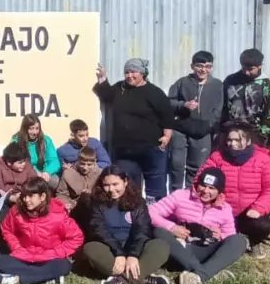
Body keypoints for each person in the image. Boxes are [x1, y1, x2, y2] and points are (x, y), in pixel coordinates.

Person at [81, 165, 172, 284]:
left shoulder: (138, 202)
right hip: (110, 250)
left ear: (125, 182)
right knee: (90, 248)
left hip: (135, 248)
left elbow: (142, 230)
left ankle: (120, 283)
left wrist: (133, 255)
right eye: (106, 185)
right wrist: (119, 253)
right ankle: (143, 278)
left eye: (115, 184)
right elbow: (98, 230)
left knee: (161, 246)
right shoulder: (96, 203)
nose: (111, 189)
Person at [149, 167, 245, 284]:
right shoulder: (180, 196)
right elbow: (150, 212)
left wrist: (221, 235)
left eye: (212, 188)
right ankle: (205, 274)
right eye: (203, 185)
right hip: (179, 249)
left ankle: (199, 275)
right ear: (197, 184)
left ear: (219, 191)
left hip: (205, 250)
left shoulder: (225, 209)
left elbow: (230, 237)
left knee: (239, 240)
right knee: (159, 232)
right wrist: (172, 227)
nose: (205, 191)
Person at [93, 59, 174, 201]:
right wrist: (102, 79)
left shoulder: (154, 92)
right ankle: (131, 210)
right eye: (127, 72)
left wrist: (167, 135)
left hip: (151, 147)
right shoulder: (119, 88)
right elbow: (106, 96)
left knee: (155, 186)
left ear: (142, 73)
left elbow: (167, 114)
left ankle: (155, 212)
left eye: (133, 72)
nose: (129, 75)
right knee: (128, 186)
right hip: (125, 149)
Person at [199, 122, 270, 258]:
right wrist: (211, 201)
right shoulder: (217, 157)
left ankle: (254, 241)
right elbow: (201, 179)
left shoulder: (263, 160)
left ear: (248, 140)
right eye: (229, 140)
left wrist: (259, 208)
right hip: (222, 209)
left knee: (262, 226)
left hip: (250, 211)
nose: (232, 144)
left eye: (237, 140)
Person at [0, 176, 83, 284]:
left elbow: (77, 237)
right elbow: (7, 229)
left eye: (30, 196)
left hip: (48, 258)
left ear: (42, 197)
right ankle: (46, 279)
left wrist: (56, 252)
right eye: (24, 195)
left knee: (64, 266)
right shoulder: (16, 211)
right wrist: (17, 247)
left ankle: (19, 278)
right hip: (23, 256)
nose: (26, 200)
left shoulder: (58, 214)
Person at [168, 50, 224, 192]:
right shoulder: (182, 82)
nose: (203, 70)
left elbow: (219, 109)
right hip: (181, 128)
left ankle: (191, 194)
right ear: (192, 66)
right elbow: (169, 102)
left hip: (203, 131)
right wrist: (183, 105)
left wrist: (209, 125)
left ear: (211, 68)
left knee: (197, 166)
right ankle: (174, 193)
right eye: (199, 66)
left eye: (208, 66)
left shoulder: (217, 85)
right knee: (176, 164)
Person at [221, 49, 270, 143]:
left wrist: (262, 135)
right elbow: (223, 106)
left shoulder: (265, 84)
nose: (246, 72)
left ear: (260, 66)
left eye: (251, 69)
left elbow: (269, 111)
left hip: (256, 135)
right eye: (244, 68)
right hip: (231, 133)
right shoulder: (230, 81)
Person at [10, 114, 61, 186]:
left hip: (43, 173)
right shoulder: (16, 141)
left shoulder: (46, 140)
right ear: (25, 129)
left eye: (37, 128)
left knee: (55, 181)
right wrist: (35, 171)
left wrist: (47, 172)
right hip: (25, 172)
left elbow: (54, 160)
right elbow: (16, 162)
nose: (35, 132)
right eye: (31, 129)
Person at [55, 146, 102, 213]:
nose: (85, 168)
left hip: (95, 206)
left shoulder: (100, 173)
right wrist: (67, 203)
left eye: (89, 165)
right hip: (74, 207)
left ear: (95, 162)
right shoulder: (68, 173)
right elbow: (61, 193)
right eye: (82, 164)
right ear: (78, 160)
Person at [0, 142, 38, 210]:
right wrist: (10, 197)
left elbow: (34, 182)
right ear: (9, 163)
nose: (23, 164)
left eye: (24, 161)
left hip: (24, 196)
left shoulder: (27, 166)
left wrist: (24, 194)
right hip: (6, 199)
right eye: (20, 163)